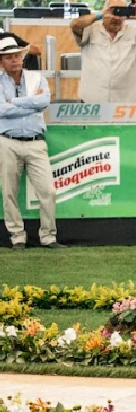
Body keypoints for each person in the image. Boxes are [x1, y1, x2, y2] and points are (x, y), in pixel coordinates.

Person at [0, 34, 61, 250]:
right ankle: (17, 237)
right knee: (9, 192)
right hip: (8, 141)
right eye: (9, 57)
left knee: (48, 191)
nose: (15, 60)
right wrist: (30, 104)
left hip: (36, 141)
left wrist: (14, 102)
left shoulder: (37, 78)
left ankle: (48, 236)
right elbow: (1, 110)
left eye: (17, 56)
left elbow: (43, 101)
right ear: (1, 61)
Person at [70, 0, 136, 103]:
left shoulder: (135, 33)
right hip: (92, 101)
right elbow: (75, 25)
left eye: (121, 13)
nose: (117, 18)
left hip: (126, 102)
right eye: (113, 12)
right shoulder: (91, 30)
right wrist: (100, 15)